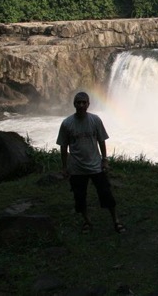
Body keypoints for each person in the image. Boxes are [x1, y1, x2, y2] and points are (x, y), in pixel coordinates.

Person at [57, 91, 125, 234]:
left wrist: (104, 160)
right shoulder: (67, 123)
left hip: (95, 166)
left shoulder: (95, 120)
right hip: (76, 168)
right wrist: (64, 167)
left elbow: (101, 140)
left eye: (84, 102)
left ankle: (116, 221)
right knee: (79, 197)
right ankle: (87, 222)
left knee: (106, 194)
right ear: (74, 104)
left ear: (88, 104)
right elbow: (63, 146)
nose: (81, 105)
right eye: (78, 102)